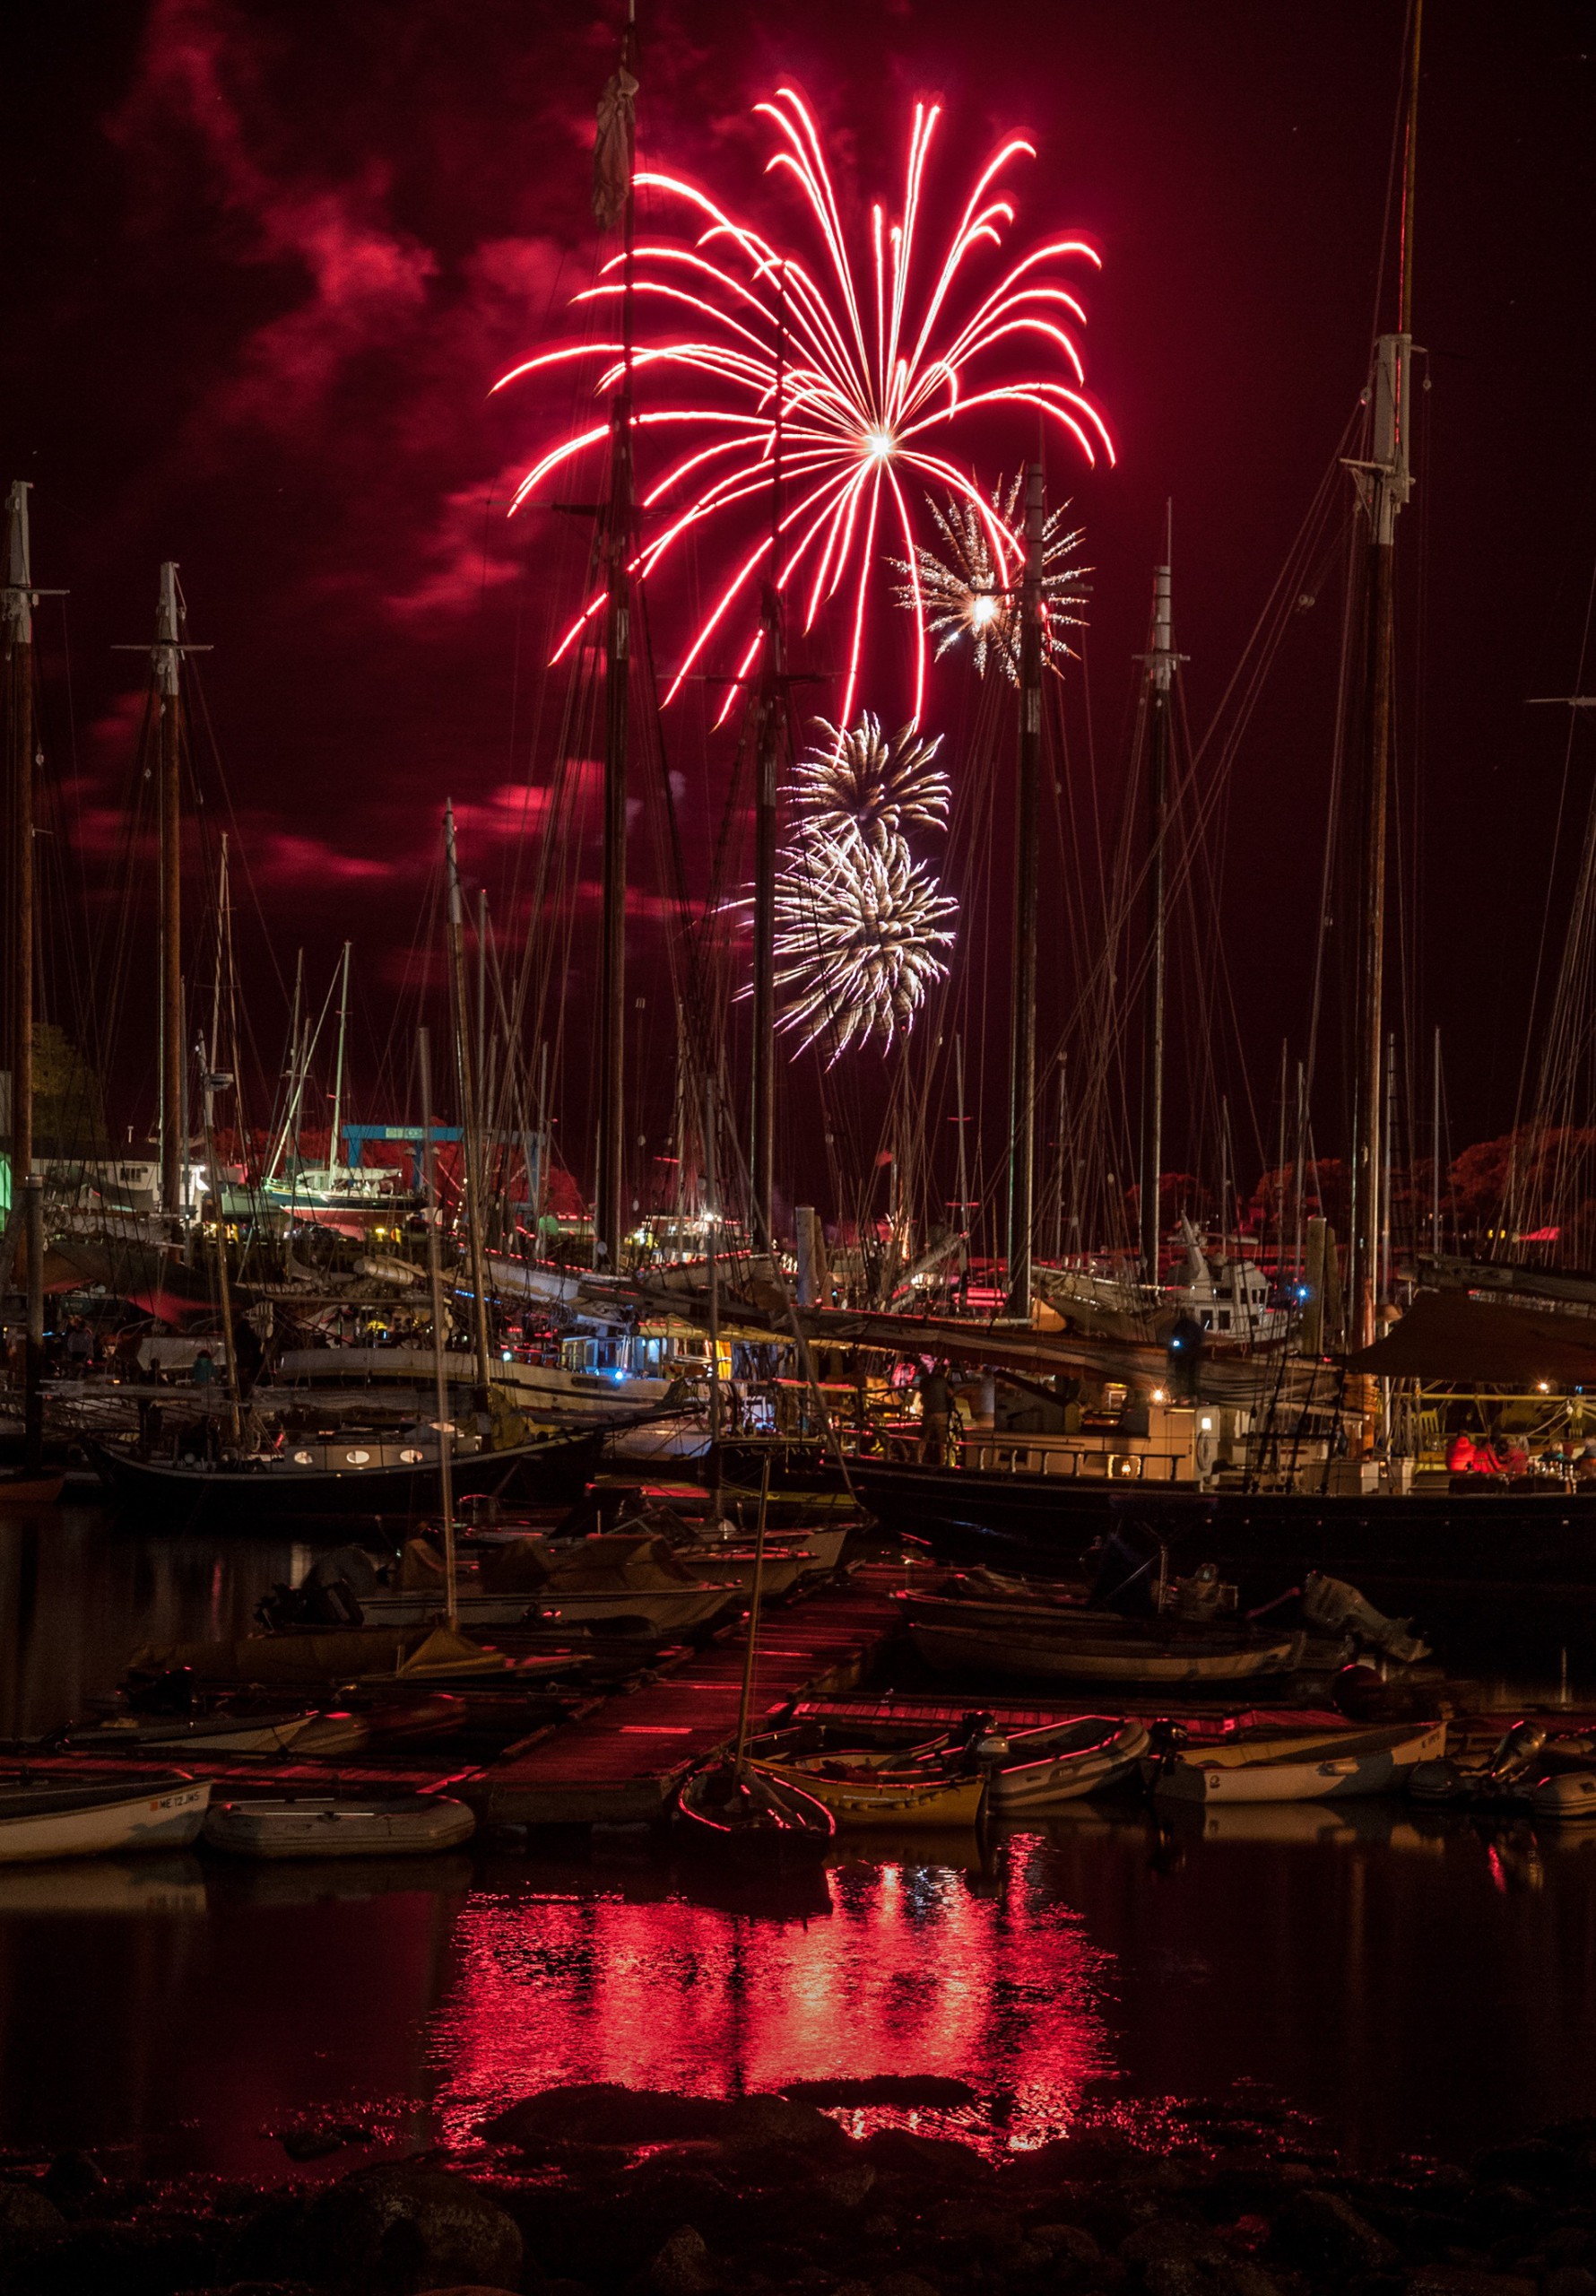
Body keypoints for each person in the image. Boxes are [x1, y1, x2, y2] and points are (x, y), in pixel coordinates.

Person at [915, 1361, 954, 1465]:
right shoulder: (943, 1381)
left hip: (928, 1413)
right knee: (942, 1441)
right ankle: (943, 1462)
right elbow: (950, 1394)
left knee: (924, 1439)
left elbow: (922, 1393)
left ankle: (918, 1460)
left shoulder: (924, 1381)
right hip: (941, 1414)